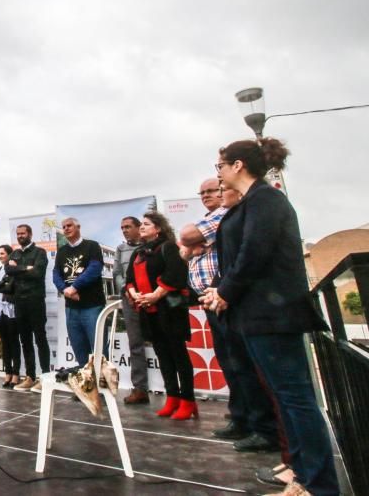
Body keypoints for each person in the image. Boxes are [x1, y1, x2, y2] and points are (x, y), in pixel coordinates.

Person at [201, 138, 338, 496]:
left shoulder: (266, 200)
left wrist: (225, 292)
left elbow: (253, 254)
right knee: (285, 398)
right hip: (258, 316)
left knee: (296, 400)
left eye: (220, 167)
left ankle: (319, 485)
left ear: (238, 166)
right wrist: (222, 290)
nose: (218, 175)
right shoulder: (253, 203)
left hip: (274, 317)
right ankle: (302, 475)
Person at [182, 180, 281, 454]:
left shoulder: (226, 214)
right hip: (212, 301)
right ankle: (241, 418)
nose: (208, 196)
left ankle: (261, 427)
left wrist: (192, 245)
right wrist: (191, 248)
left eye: (214, 191)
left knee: (242, 365)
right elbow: (184, 248)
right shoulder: (216, 217)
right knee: (230, 363)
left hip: (229, 299)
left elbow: (187, 237)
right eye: (201, 193)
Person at [124, 212, 196, 421]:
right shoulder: (138, 252)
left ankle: (188, 400)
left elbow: (176, 274)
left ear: (158, 228)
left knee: (179, 356)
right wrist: (135, 294)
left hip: (170, 311)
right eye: (142, 224)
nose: (142, 227)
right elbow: (129, 280)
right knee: (163, 357)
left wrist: (155, 295)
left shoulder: (168, 247)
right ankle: (172, 397)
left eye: (147, 224)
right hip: (149, 312)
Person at [52, 217, 105, 370]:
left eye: (69, 225)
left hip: (92, 306)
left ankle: (102, 390)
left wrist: (74, 287)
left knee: (98, 350)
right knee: (80, 351)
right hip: (71, 308)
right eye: (64, 227)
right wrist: (65, 291)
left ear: (78, 227)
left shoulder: (92, 246)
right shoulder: (62, 251)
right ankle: (85, 390)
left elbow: (95, 269)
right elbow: (56, 274)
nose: (66, 229)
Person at [6, 223, 51, 393]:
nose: (20, 236)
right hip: (19, 302)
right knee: (25, 341)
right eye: (18, 234)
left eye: (23, 233)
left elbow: (38, 273)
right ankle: (30, 377)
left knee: (40, 339)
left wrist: (17, 269)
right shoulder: (14, 253)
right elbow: (9, 270)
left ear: (30, 234)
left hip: (35, 301)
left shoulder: (40, 252)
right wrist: (25, 268)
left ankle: (45, 378)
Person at [113, 216, 149, 404]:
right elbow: (117, 272)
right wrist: (126, 290)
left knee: (162, 343)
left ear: (138, 228)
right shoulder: (120, 249)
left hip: (151, 299)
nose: (125, 230)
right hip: (129, 300)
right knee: (135, 344)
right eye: (122, 227)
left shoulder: (149, 246)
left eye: (128, 227)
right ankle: (140, 388)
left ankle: (174, 390)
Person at [0, 245, 20, 388]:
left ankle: (16, 374)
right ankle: (7, 373)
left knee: (14, 341)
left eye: (2, 253)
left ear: (9, 254)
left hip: (11, 308)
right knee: (5, 342)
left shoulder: (12, 270)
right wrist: (0, 284)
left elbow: (9, 288)